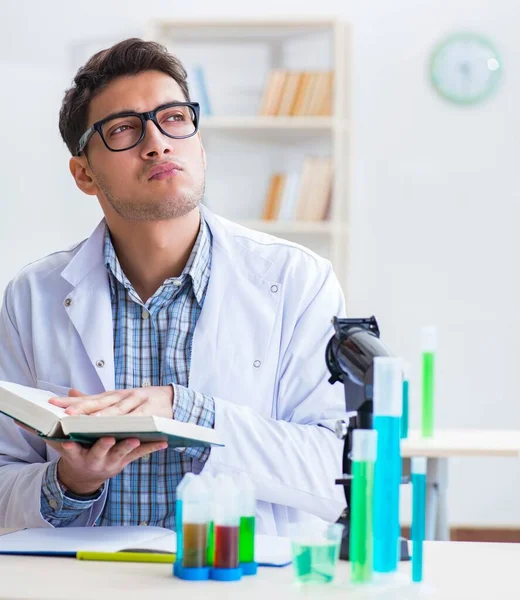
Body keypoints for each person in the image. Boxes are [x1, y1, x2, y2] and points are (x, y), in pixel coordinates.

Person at [0, 38, 346, 535]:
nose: (157, 141)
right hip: (85, 579)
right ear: (84, 174)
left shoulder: (298, 280)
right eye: (123, 129)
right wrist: (70, 480)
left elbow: (333, 471)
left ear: (199, 145)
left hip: (235, 577)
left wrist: (188, 412)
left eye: (175, 118)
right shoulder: (32, 296)